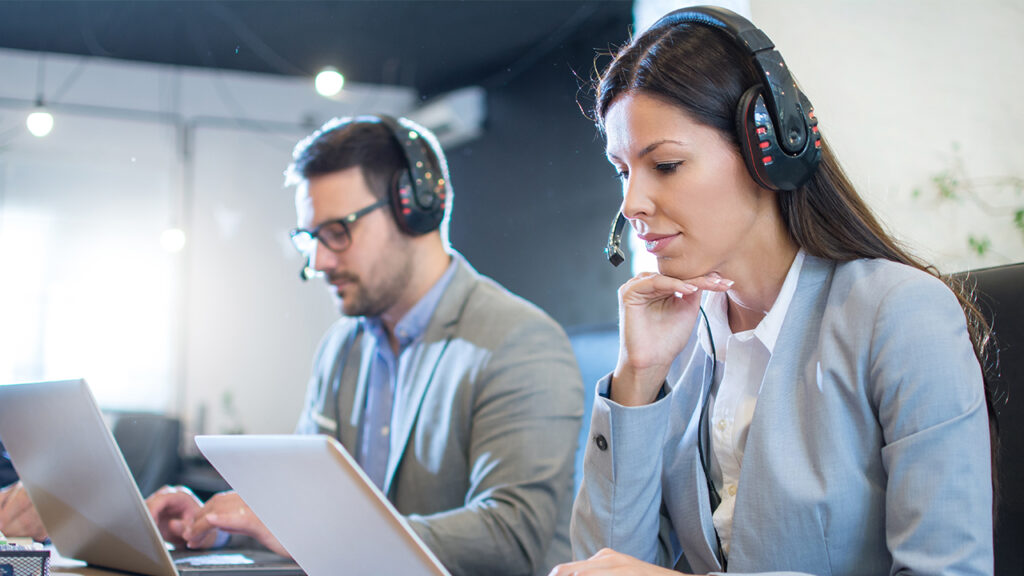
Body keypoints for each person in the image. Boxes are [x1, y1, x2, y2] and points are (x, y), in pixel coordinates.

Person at [552, 6, 994, 576]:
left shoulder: (899, 314)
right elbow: (603, 563)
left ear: (769, 148)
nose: (632, 203)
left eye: (664, 164)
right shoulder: (680, 341)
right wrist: (638, 376)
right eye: (623, 170)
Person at [146, 115, 584, 576]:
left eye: (337, 231)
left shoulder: (519, 341)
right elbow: (302, 503)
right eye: (311, 238)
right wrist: (219, 524)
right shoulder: (341, 348)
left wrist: (318, 532)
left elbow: (510, 537)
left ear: (413, 210)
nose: (319, 261)